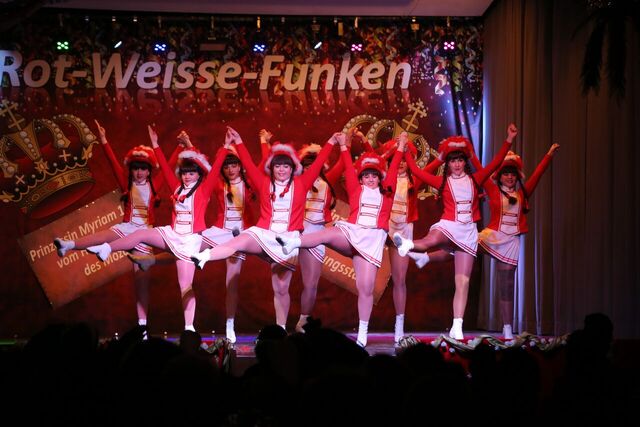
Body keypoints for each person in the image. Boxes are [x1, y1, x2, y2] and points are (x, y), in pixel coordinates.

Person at [191, 127, 338, 332]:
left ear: (293, 168)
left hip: (286, 240)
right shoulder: (263, 183)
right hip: (264, 234)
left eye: (285, 166)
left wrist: (331, 141)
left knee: (281, 288)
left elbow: (319, 163)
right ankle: (205, 256)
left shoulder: (302, 183)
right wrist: (239, 140)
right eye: (277, 166)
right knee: (241, 240)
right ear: (272, 168)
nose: (281, 170)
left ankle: (280, 329)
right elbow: (249, 165)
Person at [86, 126, 222, 333]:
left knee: (185, 285)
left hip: (190, 240)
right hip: (173, 234)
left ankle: (189, 328)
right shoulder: (176, 188)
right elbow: (166, 168)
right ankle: (106, 248)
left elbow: (212, 170)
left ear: (198, 174)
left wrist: (223, 148)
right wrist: (156, 144)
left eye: (192, 173)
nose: (187, 176)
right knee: (140, 234)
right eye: (184, 173)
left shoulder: (203, 190)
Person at [277, 132, 408, 347]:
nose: (370, 179)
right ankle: (294, 242)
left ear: (380, 178)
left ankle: (363, 332)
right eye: (366, 176)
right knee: (328, 233)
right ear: (360, 178)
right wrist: (343, 146)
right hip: (352, 233)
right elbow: (347, 165)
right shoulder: (355, 189)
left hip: (371, 241)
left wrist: (401, 145)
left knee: (366, 288)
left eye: (374, 176)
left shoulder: (387, 193)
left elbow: (392, 170)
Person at [393, 124, 516, 340]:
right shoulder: (442, 181)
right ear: (447, 164)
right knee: (432, 238)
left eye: (460, 160)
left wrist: (509, 139)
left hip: (468, 233)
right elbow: (418, 172)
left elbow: (496, 163)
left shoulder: (476, 179)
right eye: (452, 161)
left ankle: (457, 325)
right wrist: (404, 149)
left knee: (462, 282)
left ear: (464, 162)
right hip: (449, 225)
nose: (457, 164)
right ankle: (408, 245)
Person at [53, 120, 177, 334]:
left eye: (143, 169)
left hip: (144, 234)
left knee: (141, 283)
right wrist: (104, 140)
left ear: (149, 171)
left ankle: (142, 328)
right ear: (132, 170)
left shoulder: (154, 186)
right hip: (128, 227)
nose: (139, 172)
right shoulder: (127, 184)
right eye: (136, 168)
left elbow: (167, 168)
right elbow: (112, 163)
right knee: (103, 235)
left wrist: (177, 148)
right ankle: (68, 245)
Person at [130, 137, 257, 343]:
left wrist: (259, 144)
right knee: (186, 247)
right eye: (227, 166)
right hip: (218, 231)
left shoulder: (249, 184)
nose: (230, 170)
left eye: (234, 165)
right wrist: (189, 145)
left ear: (240, 166)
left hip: (239, 235)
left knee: (231, 283)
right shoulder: (218, 185)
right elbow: (204, 167)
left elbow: (255, 167)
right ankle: (153, 260)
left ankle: (230, 324)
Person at [471, 142, 560, 339]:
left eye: (512, 174)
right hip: (492, 236)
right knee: (463, 247)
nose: (509, 177)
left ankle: (507, 329)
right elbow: (480, 170)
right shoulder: (492, 189)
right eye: (506, 174)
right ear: (499, 176)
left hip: (510, 242)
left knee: (507, 285)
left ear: (517, 176)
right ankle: (426, 255)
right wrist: (470, 153)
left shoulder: (522, 193)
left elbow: (538, 174)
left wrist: (549, 154)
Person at [363, 134, 443, 343]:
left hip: (403, 230)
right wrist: (365, 141)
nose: (399, 165)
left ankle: (399, 325)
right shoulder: (384, 179)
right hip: (382, 227)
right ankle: (363, 326)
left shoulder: (413, 180)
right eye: (394, 161)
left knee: (399, 280)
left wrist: (441, 158)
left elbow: (429, 168)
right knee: (368, 279)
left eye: (403, 161)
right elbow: (374, 160)